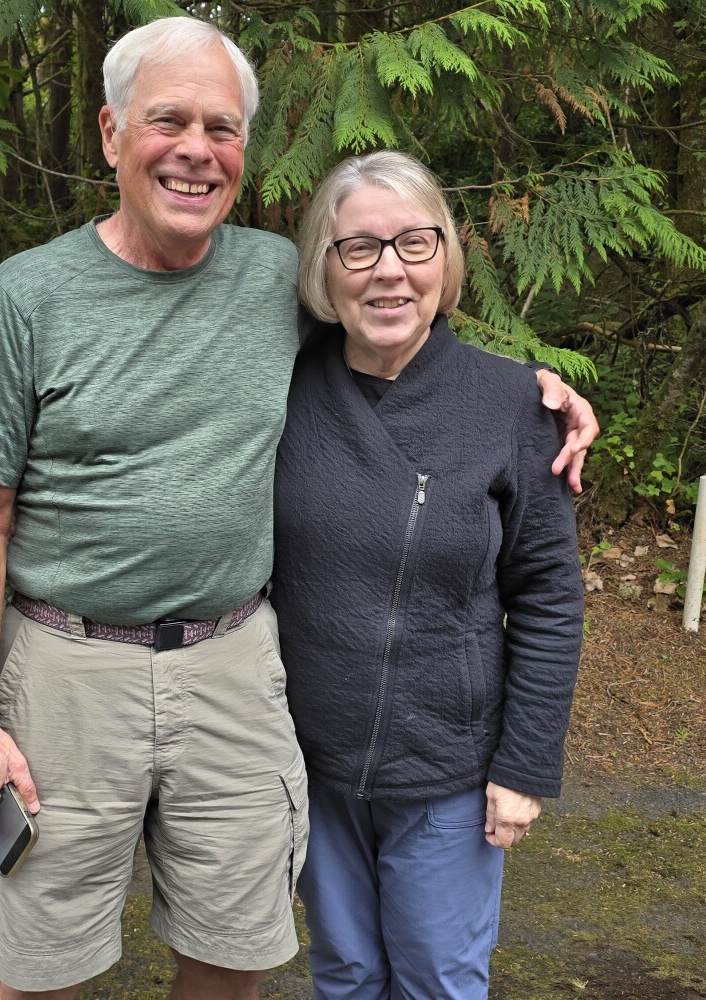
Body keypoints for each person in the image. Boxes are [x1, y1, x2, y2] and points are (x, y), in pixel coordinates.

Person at [0, 19, 595, 1000]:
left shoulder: (269, 279)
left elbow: (394, 323)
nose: (196, 150)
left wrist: (534, 394)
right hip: (69, 673)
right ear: (112, 133)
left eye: (222, 128)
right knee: (42, 965)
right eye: (168, 121)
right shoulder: (28, 297)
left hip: (234, 672)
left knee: (235, 951)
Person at [270, 150, 586, 1000]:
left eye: (415, 244)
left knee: (438, 981)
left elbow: (549, 599)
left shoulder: (513, 404)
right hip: (311, 758)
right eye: (359, 248)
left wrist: (525, 765)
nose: (389, 271)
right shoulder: (279, 391)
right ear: (324, 270)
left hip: (449, 767)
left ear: (446, 260)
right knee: (344, 973)